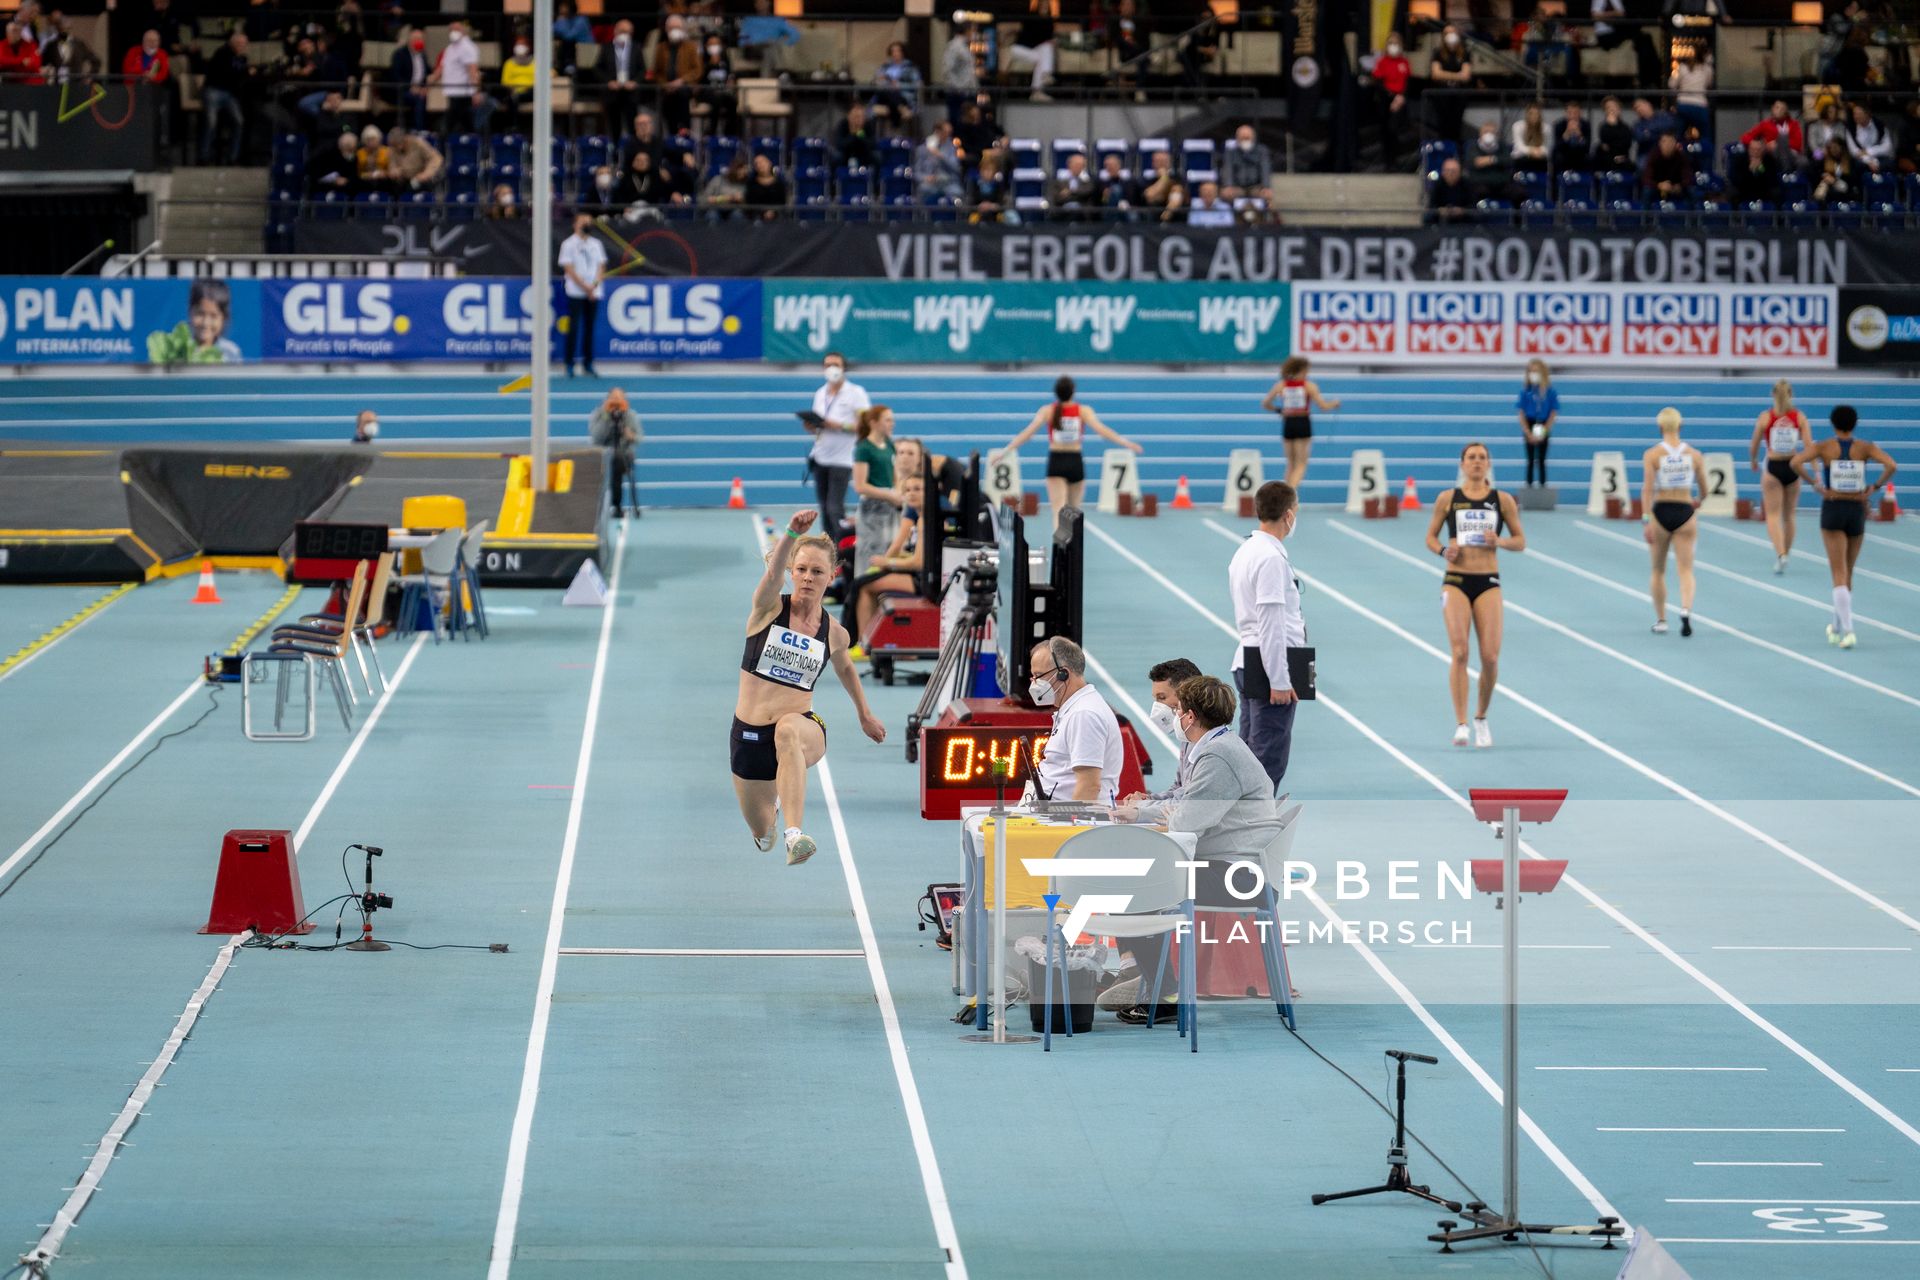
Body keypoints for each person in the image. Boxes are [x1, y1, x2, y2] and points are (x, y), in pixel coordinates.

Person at [1106, 673, 1281, 1024]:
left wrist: (1141, 814)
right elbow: (1185, 804)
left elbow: (1186, 820)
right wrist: (1146, 811)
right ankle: (1156, 983)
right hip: (1227, 864)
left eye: (1178, 710)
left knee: (1132, 888)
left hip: (1237, 876)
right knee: (1133, 883)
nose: (1174, 716)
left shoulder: (1218, 756)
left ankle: (1164, 992)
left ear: (1189, 716)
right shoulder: (1218, 746)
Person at [733, 510, 887, 865]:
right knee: (760, 830)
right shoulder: (768, 610)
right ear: (790, 571)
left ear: (831, 577)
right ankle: (772, 823)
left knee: (787, 730)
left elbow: (845, 664)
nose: (807, 578)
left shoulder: (834, 631)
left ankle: (795, 835)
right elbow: (771, 577)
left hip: (802, 726)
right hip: (749, 736)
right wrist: (789, 532)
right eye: (801, 569)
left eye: (817, 571)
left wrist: (864, 714)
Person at [1425, 444, 1526, 747]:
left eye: (1482, 458)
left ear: (1489, 464)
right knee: (1459, 651)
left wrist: (1501, 541)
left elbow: (1521, 541)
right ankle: (1461, 723)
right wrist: (1444, 550)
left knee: (1491, 657)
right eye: (1472, 458)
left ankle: (1481, 716)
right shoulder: (1448, 499)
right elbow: (1430, 536)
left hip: (1488, 580)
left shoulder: (1502, 500)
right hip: (1455, 579)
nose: (1477, 463)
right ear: (1462, 464)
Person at [1795, 406, 1897, 650]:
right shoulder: (1865, 447)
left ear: (1832, 424)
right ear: (1855, 424)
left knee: (1838, 574)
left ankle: (1849, 631)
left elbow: (1796, 462)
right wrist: (1874, 487)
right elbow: (1891, 465)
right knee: (1847, 573)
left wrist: (1816, 485)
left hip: (1833, 508)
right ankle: (1837, 626)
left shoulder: (1824, 447)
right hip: (1855, 511)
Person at [990, 376, 1143, 535]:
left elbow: (1027, 433)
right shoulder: (1083, 411)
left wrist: (1004, 451)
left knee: (1058, 509)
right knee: (1074, 511)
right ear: (1073, 392)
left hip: (1056, 461)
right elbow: (1103, 431)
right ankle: (1073, 551)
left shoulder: (1047, 411)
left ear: (1056, 393)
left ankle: (1060, 549)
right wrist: (1127, 443)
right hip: (1075, 461)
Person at [1227, 481, 1305, 788]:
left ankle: (1242, 822)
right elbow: (1271, 621)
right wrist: (1281, 679)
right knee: (1266, 761)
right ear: (1288, 515)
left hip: (1251, 656)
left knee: (1250, 755)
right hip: (1268, 662)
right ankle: (1251, 827)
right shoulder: (1270, 558)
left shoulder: (1247, 550)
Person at [1027, 637, 1122, 806]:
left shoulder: (1084, 714)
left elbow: (1089, 785)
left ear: (1063, 674)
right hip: (1054, 815)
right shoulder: (1074, 708)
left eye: (1038, 676)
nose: (1034, 682)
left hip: (1065, 823)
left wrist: (1071, 827)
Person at [1640, 408, 1706, 637]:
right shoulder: (1695, 455)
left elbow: (1647, 489)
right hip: (1685, 512)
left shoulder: (1652, 455)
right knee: (1686, 570)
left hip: (1661, 512)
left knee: (1658, 570)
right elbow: (1705, 489)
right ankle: (1686, 609)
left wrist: (1646, 519)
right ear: (1680, 426)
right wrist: (1698, 501)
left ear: (1660, 428)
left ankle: (1661, 620)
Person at [845, 471, 924, 641]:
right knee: (864, 581)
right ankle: (866, 639)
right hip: (921, 574)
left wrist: (888, 562)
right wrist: (893, 560)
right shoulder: (917, 515)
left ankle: (860, 641)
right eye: (908, 490)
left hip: (925, 581)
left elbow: (918, 563)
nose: (911, 493)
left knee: (862, 585)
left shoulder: (926, 519)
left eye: (917, 489)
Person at [1120, 657, 1204, 810]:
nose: (1157, 707)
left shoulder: (1211, 748)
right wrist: (1148, 799)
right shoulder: (1187, 738)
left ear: (1186, 694)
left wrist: (1144, 808)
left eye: (1162, 698)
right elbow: (1180, 789)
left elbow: (1189, 805)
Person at [1749, 379, 1812, 574]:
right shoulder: (1799, 417)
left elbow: (1755, 443)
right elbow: (1809, 447)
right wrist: (1815, 468)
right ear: (1791, 394)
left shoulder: (1765, 417)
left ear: (1773, 395)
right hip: (1793, 466)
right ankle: (1787, 552)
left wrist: (1753, 460)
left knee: (1773, 515)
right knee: (1789, 515)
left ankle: (1780, 554)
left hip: (1774, 467)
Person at [807, 352, 868, 538]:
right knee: (824, 509)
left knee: (835, 508)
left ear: (843, 368)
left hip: (842, 459)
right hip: (820, 457)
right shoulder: (820, 393)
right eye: (827, 365)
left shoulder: (856, 393)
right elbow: (820, 426)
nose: (831, 368)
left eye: (835, 364)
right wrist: (812, 426)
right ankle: (827, 549)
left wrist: (838, 425)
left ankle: (842, 551)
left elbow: (865, 426)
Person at [1260, 356, 1339, 491]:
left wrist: (1279, 410)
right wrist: (1335, 403)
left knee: (1290, 464)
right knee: (1301, 464)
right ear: (1302, 370)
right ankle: (1290, 494)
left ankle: (1284, 496)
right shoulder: (1309, 386)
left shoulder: (1282, 385)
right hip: (1302, 423)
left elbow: (1265, 404)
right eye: (1307, 370)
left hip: (1288, 423)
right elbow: (1323, 406)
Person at [851, 404, 905, 573]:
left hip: (891, 506)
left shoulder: (889, 444)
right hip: (872, 508)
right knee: (869, 551)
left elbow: (895, 474)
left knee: (890, 549)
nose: (892, 423)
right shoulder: (864, 448)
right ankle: (863, 589)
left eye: (892, 420)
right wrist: (889, 495)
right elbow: (860, 486)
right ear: (873, 423)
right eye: (887, 420)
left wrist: (898, 490)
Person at [146, 279, 242, 365]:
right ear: (190, 312)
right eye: (200, 314)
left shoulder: (231, 352)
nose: (206, 323)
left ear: (224, 318)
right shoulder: (176, 349)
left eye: (213, 316)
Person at [557, 212, 605, 378]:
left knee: (589, 328)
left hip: (593, 291)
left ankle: (588, 363)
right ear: (575, 224)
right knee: (574, 327)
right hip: (576, 291)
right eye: (583, 222)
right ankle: (569, 363)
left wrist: (594, 286)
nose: (587, 224)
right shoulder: (568, 244)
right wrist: (585, 286)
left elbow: (601, 266)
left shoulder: (596, 244)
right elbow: (568, 268)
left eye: (589, 222)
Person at [199, 31, 255, 164]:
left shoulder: (242, 58)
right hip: (214, 91)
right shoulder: (222, 52)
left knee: (239, 121)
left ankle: (232, 157)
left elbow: (239, 76)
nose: (241, 46)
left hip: (229, 95)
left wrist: (245, 70)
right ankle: (204, 156)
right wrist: (246, 71)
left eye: (244, 44)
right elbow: (229, 74)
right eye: (239, 43)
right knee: (211, 122)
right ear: (232, 43)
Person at [431, 21, 492, 136]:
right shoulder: (450, 48)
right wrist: (430, 81)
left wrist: (476, 91)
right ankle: (472, 141)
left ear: (463, 31)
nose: (454, 32)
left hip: (463, 92)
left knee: (454, 121)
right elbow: (442, 67)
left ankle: (444, 140)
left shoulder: (467, 47)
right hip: (452, 91)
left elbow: (473, 71)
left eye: (457, 29)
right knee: (465, 121)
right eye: (451, 30)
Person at [590, 387, 642, 518]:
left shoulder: (630, 415)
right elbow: (597, 438)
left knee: (617, 461)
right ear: (607, 400)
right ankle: (607, 505)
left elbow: (639, 437)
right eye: (613, 399)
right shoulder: (598, 414)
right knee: (611, 460)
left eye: (620, 399)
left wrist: (631, 436)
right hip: (604, 453)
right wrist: (606, 418)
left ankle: (617, 505)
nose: (616, 403)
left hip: (624, 454)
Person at [651, 14, 701, 134]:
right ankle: (672, 134)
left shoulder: (691, 47)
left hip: (685, 86)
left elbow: (698, 70)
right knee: (666, 99)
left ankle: (685, 130)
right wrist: (665, 85)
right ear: (667, 30)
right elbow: (656, 72)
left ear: (683, 29)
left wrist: (681, 81)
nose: (674, 31)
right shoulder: (660, 48)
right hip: (666, 89)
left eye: (677, 28)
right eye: (672, 28)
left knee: (681, 92)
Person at [1424, 25, 1473, 147]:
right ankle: (1444, 152)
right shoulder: (1438, 52)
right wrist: (1457, 75)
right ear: (1443, 36)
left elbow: (1466, 75)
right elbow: (1436, 74)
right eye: (1447, 33)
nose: (1450, 35)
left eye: (1453, 32)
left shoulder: (1465, 53)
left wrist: (1445, 74)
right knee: (1443, 125)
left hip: (1459, 95)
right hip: (1441, 95)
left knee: (1456, 125)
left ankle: (1455, 154)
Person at [1516, 359, 1559, 489]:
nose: (1533, 374)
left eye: (1536, 371)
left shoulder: (1550, 392)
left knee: (1541, 459)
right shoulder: (1526, 392)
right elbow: (1521, 413)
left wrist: (1545, 431)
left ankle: (1542, 486)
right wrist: (1527, 432)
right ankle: (1528, 486)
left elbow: (1553, 413)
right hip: (1530, 422)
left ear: (1543, 373)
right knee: (1529, 460)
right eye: (1531, 371)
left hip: (1543, 423)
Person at [1369, 34, 1411, 165]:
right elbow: (1377, 81)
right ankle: (1386, 159)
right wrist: (1391, 95)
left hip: (1399, 100)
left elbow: (1407, 81)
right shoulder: (1382, 62)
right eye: (1391, 43)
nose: (1393, 46)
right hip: (1385, 100)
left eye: (1396, 43)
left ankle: (1395, 158)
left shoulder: (1404, 62)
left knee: (1394, 128)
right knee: (1385, 129)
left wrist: (1400, 97)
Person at [739, 0, 801, 78]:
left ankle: (765, 81)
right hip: (753, 49)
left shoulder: (777, 20)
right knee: (770, 48)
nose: (761, 4)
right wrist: (746, 43)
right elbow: (742, 38)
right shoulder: (749, 20)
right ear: (755, 5)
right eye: (758, 2)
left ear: (769, 3)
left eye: (763, 1)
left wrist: (783, 43)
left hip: (772, 47)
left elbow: (795, 34)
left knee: (769, 50)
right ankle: (773, 80)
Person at [1010, 0, 1056, 103]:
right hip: (1019, 49)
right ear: (1038, 6)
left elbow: (1047, 37)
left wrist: (1050, 41)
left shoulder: (1049, 21)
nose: (1044, 7)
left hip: (1034, 51)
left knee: (1046, 50)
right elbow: (1033, 36)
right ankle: (1045, 76)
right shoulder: (1030, 17)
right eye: (1042, 5)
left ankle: (1037, 92)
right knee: (1045, 52)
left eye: (1046, 5)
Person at [871, 41, 921, 132]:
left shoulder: (910, 67)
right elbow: (876, 81)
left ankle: (896, 118)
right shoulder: (885, 67)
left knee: (892, 94)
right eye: (893, 51)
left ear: (903, 53)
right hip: (885, 95)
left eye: (897, 51)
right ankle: (899, 110)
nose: (895, 53)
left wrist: (900, 85)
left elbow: (917, 84)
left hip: (903, 96)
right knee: (886, 92)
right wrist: (881, 81)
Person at [1220, 124, 1274, 206]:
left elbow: (1265, 169)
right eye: (1243, 138)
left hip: (1255, 187)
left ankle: (1264, 218)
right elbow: (1228, 169)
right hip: (1237, 187)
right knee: (1226, 194)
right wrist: (1228, 185)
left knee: (1267, 195)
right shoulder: (1230, 152)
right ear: (1237, 139)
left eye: (1247, 138)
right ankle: (1231, 218)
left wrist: (1266, 187)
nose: (1245, 141)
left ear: (1253, 138)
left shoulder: (1262, 151)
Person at [389, 26, 430, 131]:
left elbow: (426, 75)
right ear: (409, 41)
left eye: (421, 39)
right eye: (416, 39)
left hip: (419, 90)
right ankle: (419, 130)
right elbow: (395, 76)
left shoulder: (423, 55)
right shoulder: (399, 54)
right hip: (401, 90)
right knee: (419, 99)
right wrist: (411, 87)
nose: (419, 41)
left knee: (426, 97)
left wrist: (425, 87)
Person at [1669, 49, 1713, 145]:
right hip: (1700, 106)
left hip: (1683, 105)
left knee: (1678, 135)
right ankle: (1705, 157)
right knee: (1705, 136)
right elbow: (1709, 84)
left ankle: (1677, 154)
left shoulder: (1682, 67)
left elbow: (1672, 84)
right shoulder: (1707, 69)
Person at [1741, 99, 1804, 165]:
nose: (1779, 110)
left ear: (1786, 112)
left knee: (1803, 162)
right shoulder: (1765, 124)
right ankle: (1786, 173)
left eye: (1782, 109)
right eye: (1777, 107)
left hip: (1791, 152)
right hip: (1773, 154)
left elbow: (1798, 144)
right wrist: (1753, 142)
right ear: (1772, 109)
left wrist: (1778, 143)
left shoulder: (1793, 124)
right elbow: (1745, 137)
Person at [914, 121, 964, 202]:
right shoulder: (922, 149)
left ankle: (956, 215)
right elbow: (916, 172)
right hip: (930, 183)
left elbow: (956, 168)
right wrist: (925, 178)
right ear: (937, 132)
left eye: (949, 133)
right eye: (945, 132)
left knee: (957, 192)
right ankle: (923, 214)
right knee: (923, 190)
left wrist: (941, 156)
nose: (948, 135)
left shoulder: (952, 147)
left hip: (948, 183)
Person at [497, 34, 538, 130]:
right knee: (513, 98)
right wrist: (512, 89)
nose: (520, 47)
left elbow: (542, 77)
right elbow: (505, 81)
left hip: (531, 92)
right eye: (517, 44)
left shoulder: (535, 62)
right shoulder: (509, 63)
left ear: (528, 47)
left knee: (516, 97)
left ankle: (513, 126)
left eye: (522, 44)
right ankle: (513, 126)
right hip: (514, 92)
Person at [1845, 101, 1894, 174]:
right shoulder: (1850, 128)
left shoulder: (1879, 125)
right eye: (1854, 114)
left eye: (1859, 114)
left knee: (1890, 163)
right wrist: (1869, 161)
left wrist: (1868, 151)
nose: (1856, 117)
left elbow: (1888, 147)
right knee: (1857, 165)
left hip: (1879, 157)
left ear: (1867, 114)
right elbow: (1854, 151)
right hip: (1862, 160)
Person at [1729, 137, 1782, 204]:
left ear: (1763, 150)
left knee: (1777, 193)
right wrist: (1750, 170)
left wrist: (1760, 168)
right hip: (1745, 190)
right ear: (1748, 150)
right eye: (1752, 149)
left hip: (1764, 190)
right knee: (1733, 193)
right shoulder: (1741, 160)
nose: (1755, 152)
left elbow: (1772, 180)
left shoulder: (1769, 160)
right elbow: (1737, 180)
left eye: (1758, 150)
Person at [1641, 131, 1692, 201]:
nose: (1668, 145)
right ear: (1660, 143)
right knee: (1647, 191)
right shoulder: (1653, 155)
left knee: (1691, 190)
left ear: (1675, 144)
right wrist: (1659, 185)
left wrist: (1680, 186)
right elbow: (1646, 178)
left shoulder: (1681, 156)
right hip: (1657, 187)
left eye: (1670, 142)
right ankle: (1645, 212)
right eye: (1665, 142)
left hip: (1675, 187)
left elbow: (1687, 177)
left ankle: (1693, 211)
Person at [308, 129, 359, 196]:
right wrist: (334, 180)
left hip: (345, 188)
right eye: (347, 146)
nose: (350, 149)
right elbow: (315, 173)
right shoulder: (328, 155)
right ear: (340, 145)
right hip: (324, 187)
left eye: (352, 148)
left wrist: (347, 180)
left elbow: (355, 175)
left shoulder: (355, 158)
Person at [1426, 155, 1474, 223]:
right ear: (1443, 172)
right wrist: (1440, 210)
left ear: (1459, 172)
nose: (1450, 174)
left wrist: (1462, 211)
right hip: (1442, 218)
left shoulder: (1467, 184)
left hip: (1463, 220)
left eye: (1453, 171)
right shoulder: (1438, 184)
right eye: (1447, 170)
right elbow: (1432, 205)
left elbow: (1472, 206)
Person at [1048, 152, 1097, 219]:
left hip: (1083, 213)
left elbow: (1087, 192)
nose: (1079, 168)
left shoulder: (1088, 180)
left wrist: (1070, 192)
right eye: (1076, 165)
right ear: (1069, 165)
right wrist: (1074, 196)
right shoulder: (1059, 180)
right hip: (1062, 212)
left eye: (1081, 165)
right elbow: (1056, 197)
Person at [742, 151, 788, 218]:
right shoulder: (751, 182)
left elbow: (782, 201)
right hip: (756, 214)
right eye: (756, 164)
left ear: (769, 163)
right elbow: (750, 202)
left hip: (776, 213)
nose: (760, 165)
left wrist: (772, 211)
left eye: (762, 162)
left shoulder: (779, 182)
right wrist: (762, 212)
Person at [1593, 96, 1634, 170]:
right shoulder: (1603, 127)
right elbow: (1605, 142)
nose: (1612, 109)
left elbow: (1626, 144)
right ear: (1605, 111)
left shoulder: (1625, 127)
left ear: (1619, 109)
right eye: (1608, 107)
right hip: (1607, 160)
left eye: (1614, 106)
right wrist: (1612, 125)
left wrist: (1614, 126)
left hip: (1623, 160)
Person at [832, 102, 875, 169]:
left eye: (860, 117)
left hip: (863, 153)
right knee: (836, 157)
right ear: (849, 116)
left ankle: (874, 179)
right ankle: (832, 178)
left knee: (877, 157)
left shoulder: (868, 125)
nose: (857, 120)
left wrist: (860, 136)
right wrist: (853, 136)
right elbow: (839, 144)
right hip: (846, 154)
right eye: (855, 116)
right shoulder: (843, 125)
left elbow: (873, 144)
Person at [1511, 102, 1549, 173]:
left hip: (1540, 158)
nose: (1534, 116)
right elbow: (1519, 145)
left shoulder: (1545, 127)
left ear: (1540, 115)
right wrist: (1531, 151)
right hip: (1521, 159)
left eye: (1536, 113)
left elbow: (1548, 146)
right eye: (1531, 113)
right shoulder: (1517, 126)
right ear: (1526, 114)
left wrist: (1540, 151)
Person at [1552, 102, 1589, 174]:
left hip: (1579, 153)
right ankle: (1555, 183)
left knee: (1589, 158)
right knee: (1556, 156)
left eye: (1575, 113)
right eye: (1570, 113)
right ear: (1566, 113)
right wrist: (1567, 133)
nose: (1572, 116)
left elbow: (1587, 146)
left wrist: (1579, 135)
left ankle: (1586, 182)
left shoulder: (1585, 125)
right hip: (1564, 153)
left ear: (1580, 113)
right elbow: (1558, 146)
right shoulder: (1559, 125)